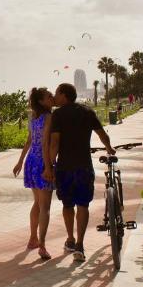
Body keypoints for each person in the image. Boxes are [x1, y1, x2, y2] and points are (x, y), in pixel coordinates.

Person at [42, 82, 115, 263]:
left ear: (64, 95)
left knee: (68, 205)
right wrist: (109, 148)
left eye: (57, 94)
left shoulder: (58, 115)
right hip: (84, 166)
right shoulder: (87, 112)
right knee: (83, 205)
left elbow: (54, 143)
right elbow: (102, 134)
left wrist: (49, 166)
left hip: (65, 168)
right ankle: (80, 244)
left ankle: (71, 240)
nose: (55, 97)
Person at [12, 87, 55, 260]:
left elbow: (29, 140)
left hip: (31, 161)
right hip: (41, 162)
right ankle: (42, 246)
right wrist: (48, 166)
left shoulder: (33, 117)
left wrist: (21, 161)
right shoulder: (48, 117)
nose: (52, 97)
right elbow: (45, 144)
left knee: (37, 203)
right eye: (48, 96)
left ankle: (33, 239)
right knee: (45, 207)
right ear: (41, 101)